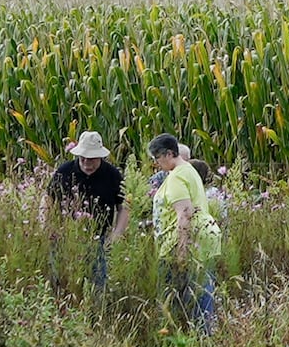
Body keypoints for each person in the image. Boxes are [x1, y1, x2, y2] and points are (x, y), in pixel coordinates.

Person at [149, 133, 219, 334]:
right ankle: (201, 337)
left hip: (181, 243)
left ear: (169, 154)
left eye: (157, 158)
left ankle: (182, 339)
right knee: (199, 291)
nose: (156, 163)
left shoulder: (177, 176)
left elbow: (185, 213)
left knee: (176, 296)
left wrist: (181, 250)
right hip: (200, 239)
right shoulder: (189, 170)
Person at [45, 130, 129, 291]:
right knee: (61, 282)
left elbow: (123, 206)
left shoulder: (112, 175)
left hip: (98, 239)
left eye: (92, 160)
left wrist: (117, 233)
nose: (86, 164)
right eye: (83, 159)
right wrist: (48, 225)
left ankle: (94, 313)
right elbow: (48, 200)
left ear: (100, 157)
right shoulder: (65, 171)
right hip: (65, 238)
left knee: (97, 285)